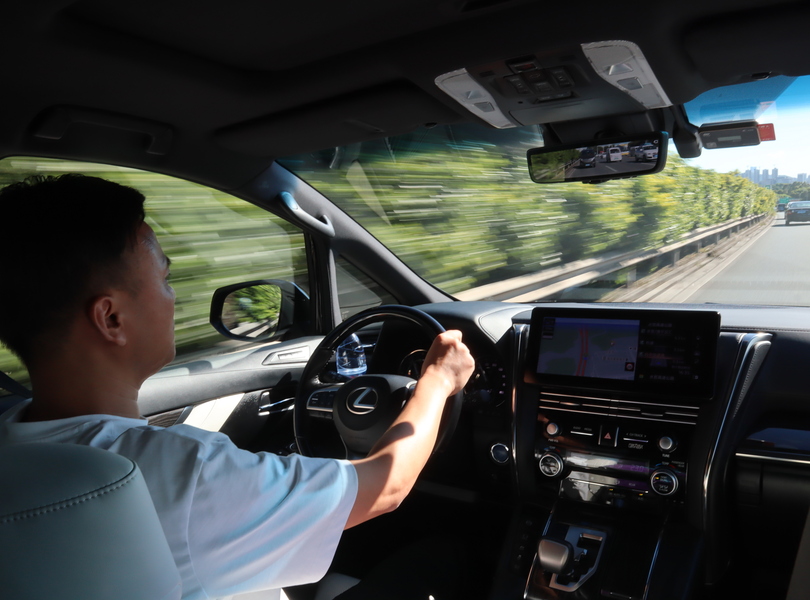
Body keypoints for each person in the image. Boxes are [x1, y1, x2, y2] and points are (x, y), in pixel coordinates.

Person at [0, 174, 475, 599]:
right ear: (111, 319)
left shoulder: (11, 443)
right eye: (165, 279)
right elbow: (386, 487)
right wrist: (437, 381)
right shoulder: (180, 471)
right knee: (447, 556)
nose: (173, 298)